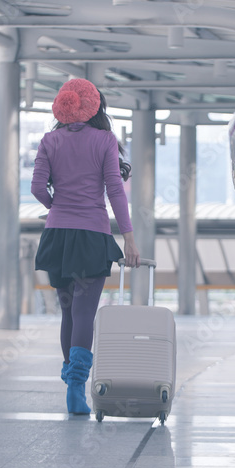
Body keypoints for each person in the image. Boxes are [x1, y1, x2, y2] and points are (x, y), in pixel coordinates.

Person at [31, 79, 139, 415]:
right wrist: (129, 237)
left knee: (67, 312)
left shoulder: (49, 140)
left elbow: (36, 188)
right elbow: (115, 191)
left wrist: (55, 205)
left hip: (57, 236)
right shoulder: (105, 140)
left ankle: (71, 387)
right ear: (96, 108)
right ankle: (77, 387)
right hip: (92, 234)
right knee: (84, 314)